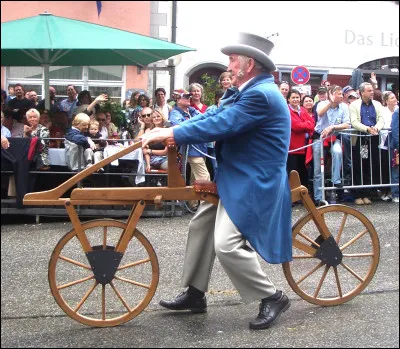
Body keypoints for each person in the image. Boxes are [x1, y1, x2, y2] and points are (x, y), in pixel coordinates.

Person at [141, 32, 292, 331]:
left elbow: (222, 124)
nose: (229, 64)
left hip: (255, 181)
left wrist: (169, 134)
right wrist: (170, 130)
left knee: (226, 245)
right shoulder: (244, 91)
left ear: (249, 65)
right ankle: (196, 294)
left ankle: (272, 296)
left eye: (233, 59)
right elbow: (209, 116)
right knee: (201, 225)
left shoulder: (261, 94)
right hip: (237, 176)